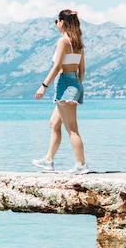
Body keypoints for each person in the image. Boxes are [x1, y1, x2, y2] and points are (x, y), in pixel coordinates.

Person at [33, 9, 89, 175]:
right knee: (54, 123)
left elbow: (57, 67)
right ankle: (48, 161)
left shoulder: (63, 42)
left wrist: (44, 86)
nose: (55, 24)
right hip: (74, 83)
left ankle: (81, 165)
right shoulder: (78, 43)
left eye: (56, 21)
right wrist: (76, 86)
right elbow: (82, 70)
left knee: (72, 129)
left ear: (62, 22)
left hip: (65, 83)